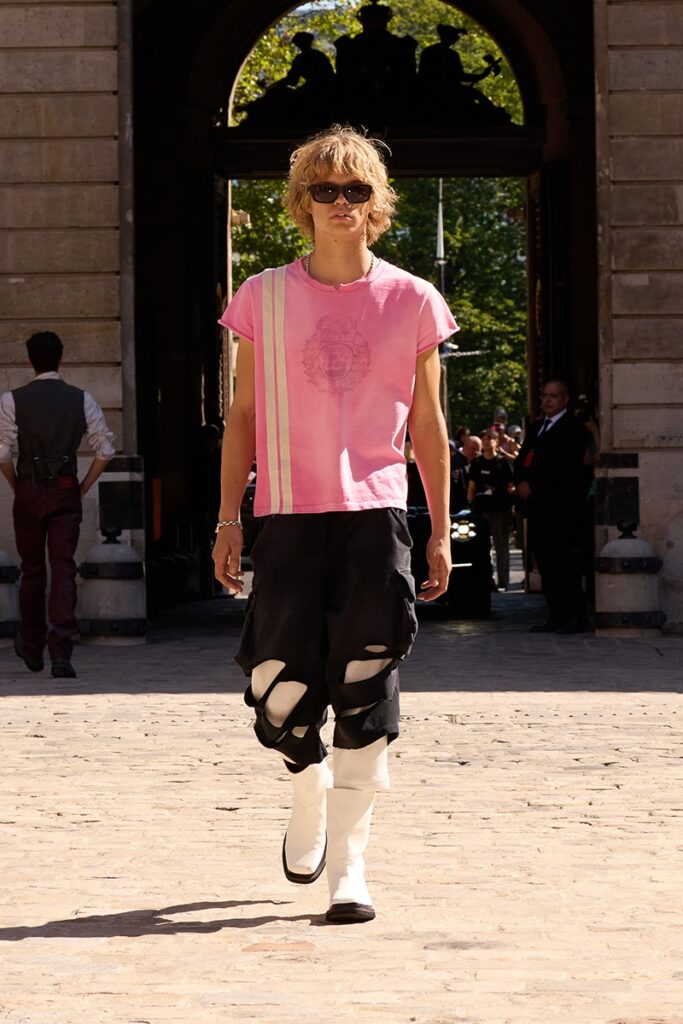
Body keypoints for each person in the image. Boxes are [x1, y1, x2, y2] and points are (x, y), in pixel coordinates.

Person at [213, 125, 456, 925]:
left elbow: (428, 424)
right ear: (302, 203)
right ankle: (305, 785)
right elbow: (242, 416)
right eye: (326, 190)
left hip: (374, 515)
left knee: (366, 680)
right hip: (286, 514)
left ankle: (349, 865)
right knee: (276, 686)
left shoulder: (412, 298)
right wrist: (227, 518)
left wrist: (438, 528)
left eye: (356, 190)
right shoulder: (262, 297)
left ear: (376, 202)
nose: (342, 202)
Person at [0, 332, 115, 677]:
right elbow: (105, 450)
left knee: (32, 570)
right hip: (65, 488)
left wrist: (16, 484)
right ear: (61, 359)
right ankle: (61, 652)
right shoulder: (81, 399)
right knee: (63, 568)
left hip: (29, 489)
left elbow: (2, 453)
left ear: (30, 361)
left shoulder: (12, 400)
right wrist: (82, 487)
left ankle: (32, 645)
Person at [514, 380, 591, 632]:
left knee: (565, 563)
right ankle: (557, 614)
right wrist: (520, 481)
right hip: (538, 509)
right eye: (545, 395)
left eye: (553, 396)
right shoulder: (537, 427)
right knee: (545, 562)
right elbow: (522, 459)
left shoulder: (573, 428)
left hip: (562, 509)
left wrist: (534, 485)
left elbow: (566, 468)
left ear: (565, 399)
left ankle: (576, 617)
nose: (547, 400)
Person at [467, 429, 514, 590]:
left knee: (501, 547)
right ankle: (487, 581)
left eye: (490, 438)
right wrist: (470, 504)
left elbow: (511, 486)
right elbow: (471, 487)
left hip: (499, 510)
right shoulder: (477, 463)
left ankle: (503, 582)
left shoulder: (503, 462)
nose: (486, 441)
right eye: (484, 439)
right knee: (482, 547)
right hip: (481, 510)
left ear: (497, 441)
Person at [451, 433, 481, 510]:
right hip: (457, 505)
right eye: (474, 449)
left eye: (479, 450)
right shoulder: (454, 460)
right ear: (465, 446)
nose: (477, 453)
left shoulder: (477, 461)